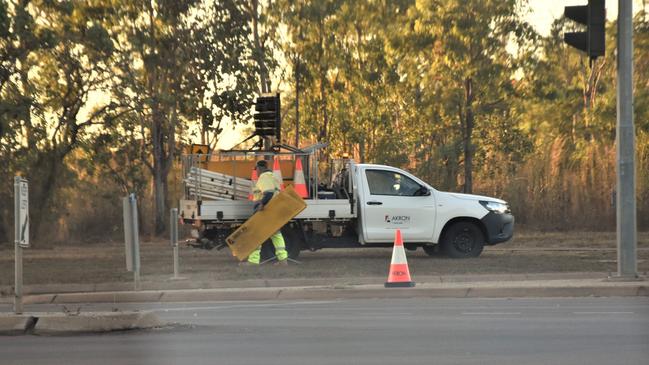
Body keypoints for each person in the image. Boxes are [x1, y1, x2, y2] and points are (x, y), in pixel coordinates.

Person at [243, 159, 289, 266]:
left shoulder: (264, 177)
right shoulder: (273, 177)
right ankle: (283, 260)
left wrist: (261, 204)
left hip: (266, 211)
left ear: (259, 168)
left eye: (256, 170)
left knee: (256, 234)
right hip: (274, 210)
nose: (256, 172)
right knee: (276, 234)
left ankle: (253, 261)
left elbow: (268, 193)